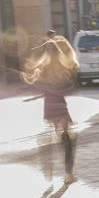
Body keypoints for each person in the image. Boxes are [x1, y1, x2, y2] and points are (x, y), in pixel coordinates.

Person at [22, 36, 79, 184]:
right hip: (60, 104)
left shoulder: (42, 67)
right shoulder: (63, 65)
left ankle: (49, 169)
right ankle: (69, 174)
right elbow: (70, 85)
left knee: (56, 135)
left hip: (49, 105)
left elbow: (33, 82)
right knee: (67, 138)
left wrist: (27, 77)